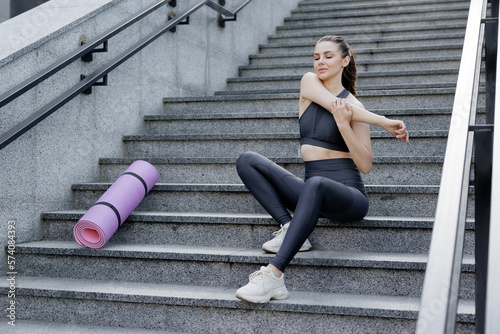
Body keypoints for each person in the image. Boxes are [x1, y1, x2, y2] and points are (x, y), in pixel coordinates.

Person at [234, 35, 409, 304]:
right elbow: (335, 105)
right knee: (247, 159)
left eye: (328, 56)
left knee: (315, 184)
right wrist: (384, 121)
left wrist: (343, 127)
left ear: (345, 61)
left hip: (348, 197)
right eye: (316, 57)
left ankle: (273, 277)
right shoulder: (309, 84)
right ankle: (290, 227)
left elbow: (365, 165)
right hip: (311, 193)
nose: (320, 62)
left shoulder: (357, 109)